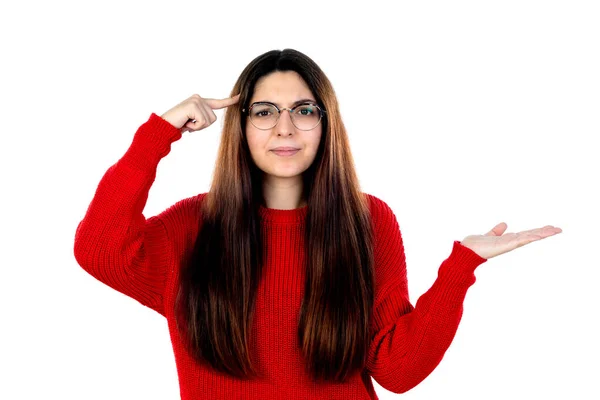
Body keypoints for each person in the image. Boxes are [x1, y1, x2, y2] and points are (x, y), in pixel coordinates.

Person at [73, 48, 562, 400]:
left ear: (326, 124)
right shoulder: (193, 225)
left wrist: (462, 266)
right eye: (264, 112)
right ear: (240, 128)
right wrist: (157, 134)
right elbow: (98, 249)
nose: (284, 128)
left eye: (304, 111)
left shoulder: (367, 219)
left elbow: (397, 370)